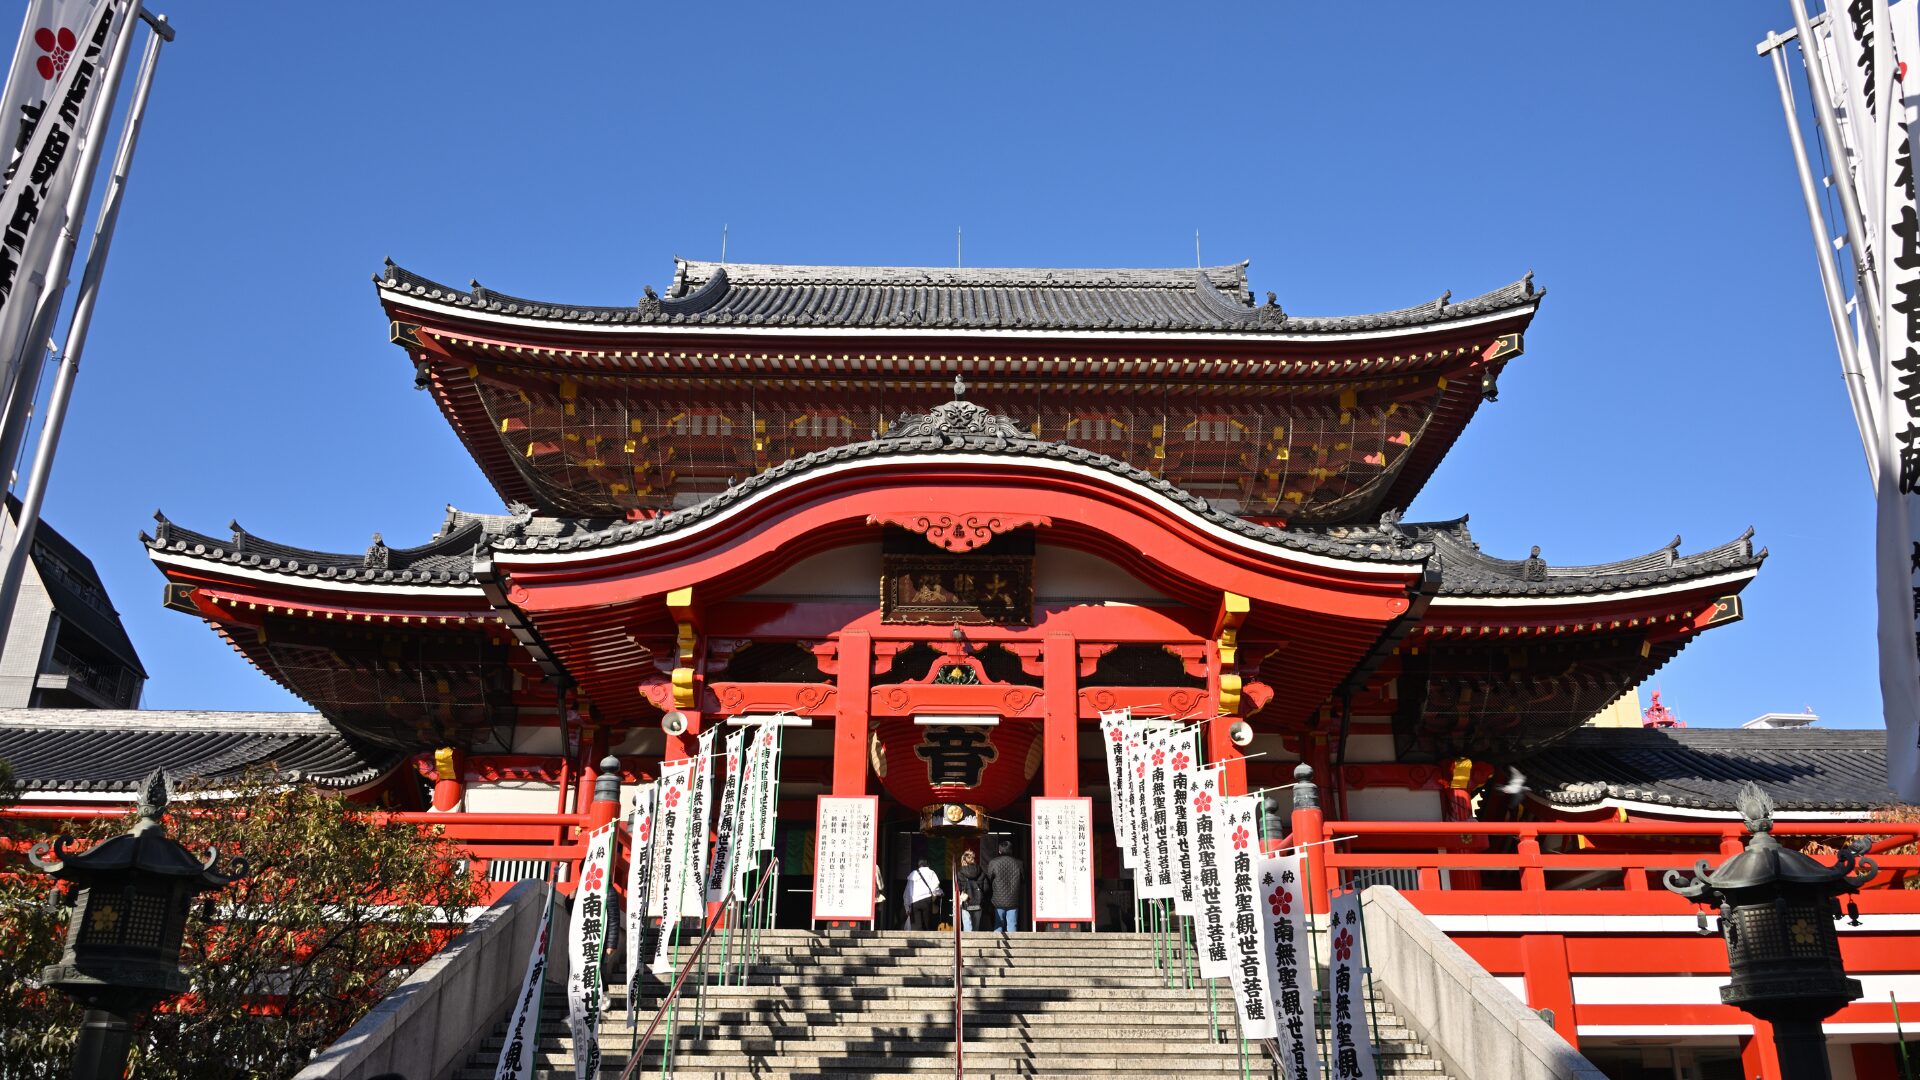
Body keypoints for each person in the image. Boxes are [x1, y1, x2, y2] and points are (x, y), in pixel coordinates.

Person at [985, 839, 1023, 932]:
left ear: (999, 850)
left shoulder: (993, 862)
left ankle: (997, 945)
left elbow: (988, 879)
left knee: (998, 924)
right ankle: (1013, 945)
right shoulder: (1019, 863)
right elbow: (1023, 879)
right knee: (1012, 924)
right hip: (1013, 899)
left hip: (997, 899)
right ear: (1011, 850)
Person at [904, 857, 943, 930]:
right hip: (926, 901)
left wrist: (907, 907)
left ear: (919, 865)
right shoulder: (931, 872)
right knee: (927, 925)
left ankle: (917, 941)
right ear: (928, 865)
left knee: (917, 927)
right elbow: (935, 888)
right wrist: (939, 893)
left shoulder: (913, 873)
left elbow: (907, 892)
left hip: (914, 902)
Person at [954, 848, 988, 930]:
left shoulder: (959, 873)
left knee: (967, 925)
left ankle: (967, 942)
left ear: (964, 859)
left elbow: (958, 888)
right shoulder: (981, 871)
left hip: (966, 901)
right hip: (978, 902)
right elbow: (986, 888)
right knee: (976, 927)